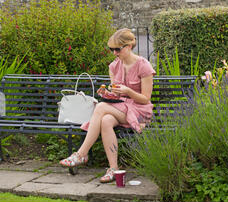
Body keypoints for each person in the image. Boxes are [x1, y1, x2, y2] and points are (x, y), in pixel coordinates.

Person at [59, 28, 156, 183]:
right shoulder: (114, 66)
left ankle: (81, 154)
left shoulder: (143, 66)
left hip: (139, 110)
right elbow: (117, 95)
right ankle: (113, 169)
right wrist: (107, 93)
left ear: (129, 46)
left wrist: (128, 91)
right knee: (105, 120)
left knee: (101, 107)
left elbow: (145, 99)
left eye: (117, 49)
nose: (114, 53)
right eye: (112, 49)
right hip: (121, 108)